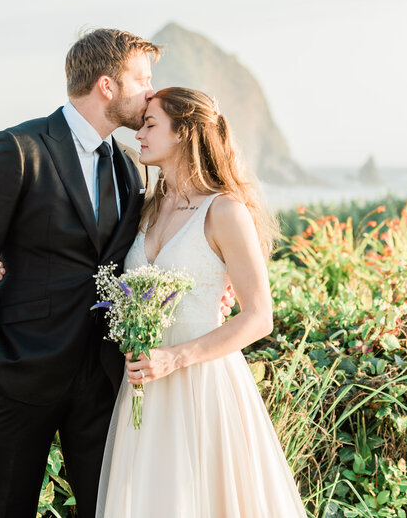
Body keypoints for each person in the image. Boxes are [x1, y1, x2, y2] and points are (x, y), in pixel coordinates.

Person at [0, 30, 233, 518]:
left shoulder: (129, 167)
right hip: (21, 373)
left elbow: (137, 261)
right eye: (142, 80)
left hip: (105, 383)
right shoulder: (18, 149)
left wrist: (204, 290)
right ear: (107, 85)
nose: (150, 93)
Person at [96, 87, 308, 517]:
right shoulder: (144, 208)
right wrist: (7, 265)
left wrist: (175, 358)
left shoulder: (225, 212)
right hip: (143, 387)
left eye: (151, 125)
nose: (140, 133)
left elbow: (258, 316)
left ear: (185, 133)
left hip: (203, 384)